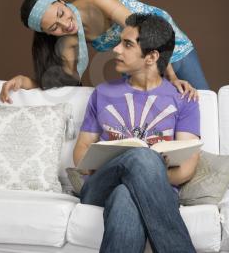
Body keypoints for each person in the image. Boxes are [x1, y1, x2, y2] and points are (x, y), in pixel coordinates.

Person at [73, 13, 200, 253]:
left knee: (125, 195)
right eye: (119, 42)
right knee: (143, 157)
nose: (116, 50)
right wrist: (141, 165)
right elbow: (80, 154)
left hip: (158, 191)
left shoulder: (184, 99)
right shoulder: (102, 93)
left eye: (127, 44)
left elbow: (186, 169)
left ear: (151, 56)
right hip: (99, 185)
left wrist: (141, 175)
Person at [0, 0, 208, 103]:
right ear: (47, 33)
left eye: (61, 14)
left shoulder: (98, 1)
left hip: (164, 41)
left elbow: (146, 33)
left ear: (62, 1)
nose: (65, 25)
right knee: (145, 121)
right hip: (135, 62)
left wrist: (172, 77)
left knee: (203, 101)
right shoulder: (68, 40)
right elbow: (62, 86)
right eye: (54, 27)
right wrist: (26, 82)